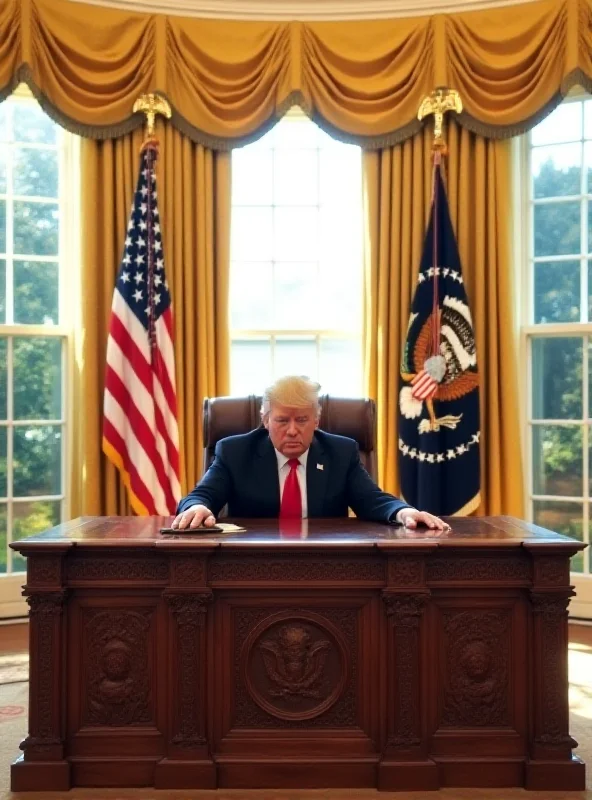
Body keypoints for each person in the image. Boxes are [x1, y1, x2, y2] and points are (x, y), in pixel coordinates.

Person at [172, 375, 450, 531]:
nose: (293, 430)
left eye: (302, 420)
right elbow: (202, 495)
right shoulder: (234, 452)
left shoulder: (341, 452)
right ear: (265, 420)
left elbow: (372, 500)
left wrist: (404, 512)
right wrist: (197, 507)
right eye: (282, 420)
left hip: (326, 565)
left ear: (316, 421)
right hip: (251, 566)